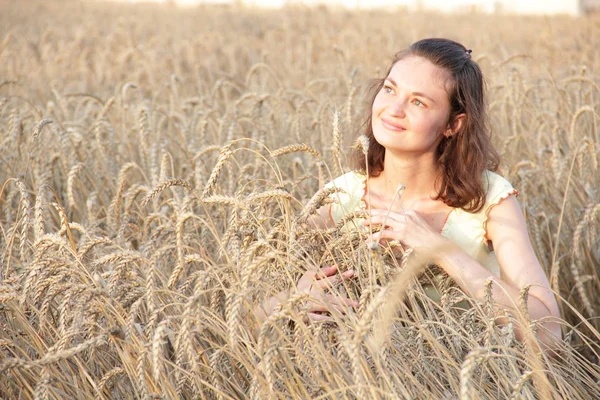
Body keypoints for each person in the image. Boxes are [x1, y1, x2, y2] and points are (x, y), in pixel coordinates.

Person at [254, 38, 561, 348]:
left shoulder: (490, 200)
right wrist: (291, 301)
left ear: (453, 124)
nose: (394, 109)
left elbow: (549, 335)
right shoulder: (340, 196)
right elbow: (244, 315)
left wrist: (439, 250)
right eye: (389, 89)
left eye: (418, 102)